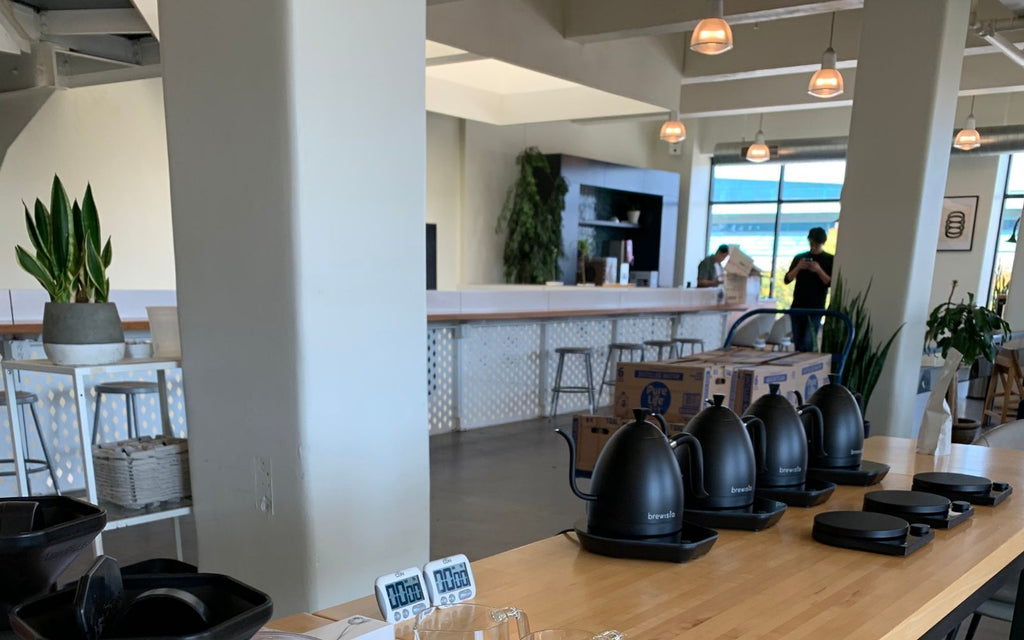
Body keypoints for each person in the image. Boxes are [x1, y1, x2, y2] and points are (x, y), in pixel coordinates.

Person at [784, 227, 833, 352]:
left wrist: (818, 270)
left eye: (816, 243)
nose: (814, 246)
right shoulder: (800, 258)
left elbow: (830, 282)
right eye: (811, 243)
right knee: (798, 342)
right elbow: (787, 279)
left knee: (809, 341)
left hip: (816, 307)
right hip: (797, 305)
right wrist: (798, 267)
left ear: (822, 243)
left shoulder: (829, 259)